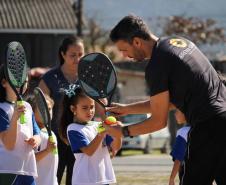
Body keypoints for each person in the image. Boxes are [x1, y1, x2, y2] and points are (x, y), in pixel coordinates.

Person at [105, 14, 226, 185]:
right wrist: (127, 109)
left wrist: (123, 131)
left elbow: (158, 122)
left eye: (124, 50)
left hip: (208, 126)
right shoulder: (178, 42)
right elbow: (169, 102)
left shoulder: (157, 65)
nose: (125, 56)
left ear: (137, 42)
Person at [38, 36, 85, 185]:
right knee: (53, 179)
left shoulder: (88, 78)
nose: (77, 59)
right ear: (63, 54)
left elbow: (96, 108)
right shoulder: (49, 78)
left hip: (79, 137)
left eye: (80, 54)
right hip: (54, 139)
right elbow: (38, 108)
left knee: (76, 180)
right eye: (72, 55)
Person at [59, 84, 121, 185]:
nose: (90, 111)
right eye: (85, 108)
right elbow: (89, 151)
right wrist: (101, 134)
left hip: (102, 179)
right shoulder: (73, 129)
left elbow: (114, 149)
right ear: (73, 109)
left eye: (92, 107)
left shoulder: (99, 125)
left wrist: (119, 133)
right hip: (85, 180)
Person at [0, 64, 41, 185]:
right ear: (4, 82)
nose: (22, 85)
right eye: (17, 81)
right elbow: (9, 144)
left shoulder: (27, 106)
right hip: (7, 171)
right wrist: (15, 119)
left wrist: (35, 140)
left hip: (28, 170)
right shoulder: (1, 109)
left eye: (25, 81)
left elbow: (36, 132)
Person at [25, 93, 58, 185]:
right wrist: (47, 150)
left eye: (49, 109)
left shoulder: (51, 133)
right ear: (31, 112)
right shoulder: (32, 134)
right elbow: (29, 159)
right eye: (42, 109)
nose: (47, 112)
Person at [169, 109, 190, 185]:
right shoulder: (203, 130)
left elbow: (178, 159)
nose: (174, 114)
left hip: (189, 176)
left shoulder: (183, 132)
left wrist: (172, 178)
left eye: (177, 111)